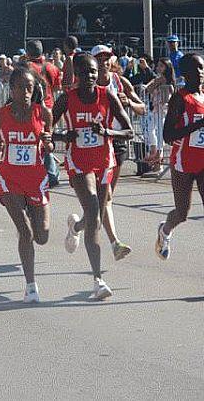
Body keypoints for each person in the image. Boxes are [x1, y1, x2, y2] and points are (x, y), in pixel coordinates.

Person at [52, 53, 133, 300]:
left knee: (93, 216)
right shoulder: (67, 98)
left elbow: (128, 130)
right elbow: (44, 131)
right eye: (85, 72)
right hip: (79, 163)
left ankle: (75, 226)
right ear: (75, 74)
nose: (89, 76)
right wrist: (63, 137)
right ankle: (98, 280)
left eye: (93, 72)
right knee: (94, 207)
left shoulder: (106, 95)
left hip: (104, 162)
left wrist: (107, 131)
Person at [65, 45, 144, 261]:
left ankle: (78, 226)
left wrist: (129, 103)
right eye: (99, 58)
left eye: (107, 58)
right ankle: (114, 242)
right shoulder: (80, 87)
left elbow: (142, 108)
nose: (103, 62)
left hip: (114, 143)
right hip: (85, 153)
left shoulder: (119, 82)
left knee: (104, 201)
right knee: (104, 198)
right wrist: (62, 135)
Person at [0, 67, 53, 302]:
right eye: (20, 87)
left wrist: (48, 142)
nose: (25, 92)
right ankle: (31, 286)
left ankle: (38, 227)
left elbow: (50, 147)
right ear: (11, 89)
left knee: (41, 236)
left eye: (29, 88)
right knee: (24, 232)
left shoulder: (43, 114)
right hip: (9, 178)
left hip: (35, 178)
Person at [156, 54, 204, 260]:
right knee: (182, 213)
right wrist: (197, 125)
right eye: (195, 70)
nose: (200, 73)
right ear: (185, 74)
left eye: (202, 68)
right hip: (183, 162)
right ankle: (165, 231)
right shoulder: (180, 98)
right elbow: (167, 136)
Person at [26, 40, 62, 187]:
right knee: (46, 139)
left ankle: (51, 173)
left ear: (28, 52)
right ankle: (51, 172)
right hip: (49, 108)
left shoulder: (27, 67)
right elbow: (56, 87)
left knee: (35, 140)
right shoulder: (51, 67)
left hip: (33, 109)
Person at [144, 58, 176, 173]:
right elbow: (148, 89)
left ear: (167, 68)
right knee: (150, 130)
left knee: (159, 133)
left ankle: (158, 159)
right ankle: (154, 152)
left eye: (161, 66)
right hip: (155, 109)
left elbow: (168, 96)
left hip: (163, 110)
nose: (158, 68)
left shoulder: (166, 81)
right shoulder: (157, 79)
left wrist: (156, 83)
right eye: (158, 66)